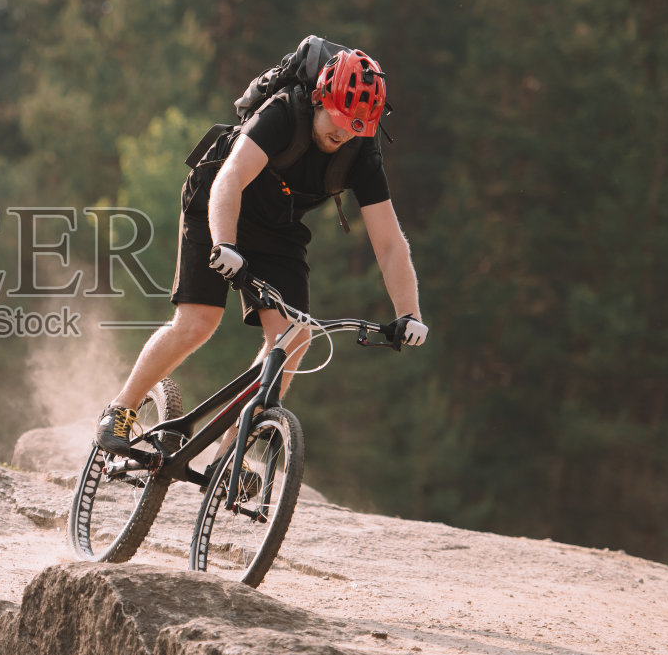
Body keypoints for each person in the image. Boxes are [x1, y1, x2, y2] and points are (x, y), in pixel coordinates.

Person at [94, 47, 427, 455]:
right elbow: (229, 180)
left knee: (294, 335)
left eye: (356, 128)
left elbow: (390, 243)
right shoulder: (284, 113)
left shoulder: (361, 152)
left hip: (277, 227)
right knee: (198, 322)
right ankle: (121, 409)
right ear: (321, 97)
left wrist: (408, 312)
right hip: (215, 205)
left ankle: (232, 454)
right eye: (339, 120)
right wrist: (224, 245)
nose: (343, 134)